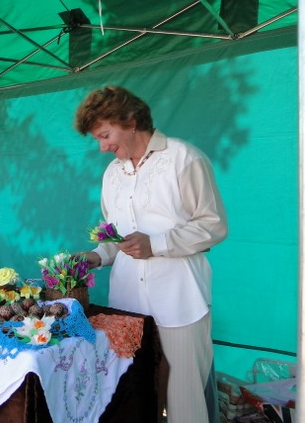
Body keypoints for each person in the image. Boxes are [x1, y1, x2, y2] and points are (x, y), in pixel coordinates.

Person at [73, 86, 228, 423]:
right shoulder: (112, 174)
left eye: (105, 135)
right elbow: (116, 237)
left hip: (181, 301)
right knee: (134, 396)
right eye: (98, 139)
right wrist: (96, 256)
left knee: (185, 403)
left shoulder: (184, 158)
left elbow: (213, 225)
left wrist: (156, 244)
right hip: (127, 306)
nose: (102, 147)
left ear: (130, 122)